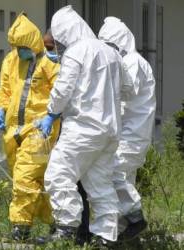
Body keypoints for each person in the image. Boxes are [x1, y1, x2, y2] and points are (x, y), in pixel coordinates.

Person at [37, 5, 125, 247]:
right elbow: (127, 88)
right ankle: (106, 237)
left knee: (58, 174)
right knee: (100, 183)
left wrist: (52, 113)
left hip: (83, 128)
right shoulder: (110, 52)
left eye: (57, 40)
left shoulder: (77, 51)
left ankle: (66, 229)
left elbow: (63, 88)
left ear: (64, 32)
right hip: (109, 131)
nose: (57, 46)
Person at [0, 13, 60, 241]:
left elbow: (61, 94)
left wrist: (51, 118)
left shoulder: (49, 63)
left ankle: (20, 228)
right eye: (15, 46)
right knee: (33, 182)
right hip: (13, 132)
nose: (19, 50)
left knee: (24, 177)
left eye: (22, 46)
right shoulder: (12, 60)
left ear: (32, 42)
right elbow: (4, 90)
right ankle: (58, 223)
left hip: (40, 131)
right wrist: (0, 109)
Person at [98, 17, 156, 240]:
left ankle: (135, 217)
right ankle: (120, 234)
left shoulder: (133, 62)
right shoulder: (130, 61)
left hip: (131, 135)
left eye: (111, 46)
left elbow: (125, 93)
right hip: (129, 134)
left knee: (113, 174)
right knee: (123, 180)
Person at [43, 28, 92, 245]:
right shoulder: (53, 64)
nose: (48, 52)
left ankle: (76, 231)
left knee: (74, 181)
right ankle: (71, 229)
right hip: (67, 127)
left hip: (78, 129)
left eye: (51, 47)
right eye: (46, 48)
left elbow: (63, 93)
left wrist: (51, 114)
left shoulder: (74, 61)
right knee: (69, 181)